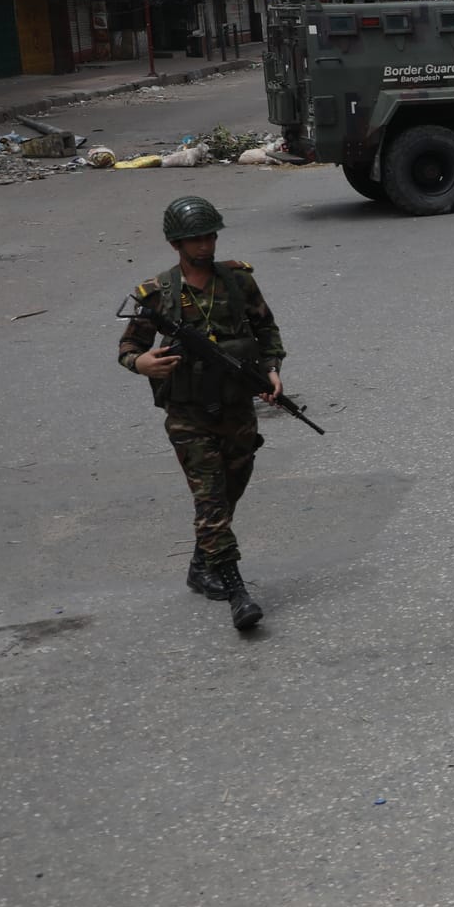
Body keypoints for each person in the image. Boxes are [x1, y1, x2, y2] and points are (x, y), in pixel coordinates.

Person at [117, 196, 287, 632]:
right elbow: (129, 347)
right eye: (196, 238)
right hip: (188, 414)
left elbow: (266, 329)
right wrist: (143, 364)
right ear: (176, 242)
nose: (206, 245)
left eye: (211, 235)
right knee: (210, 501)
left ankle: (201, 562)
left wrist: (271, 372)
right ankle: (237, 591)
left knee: (232, 486)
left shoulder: (238, 282)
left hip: (236, 407)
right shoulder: (158, 294)